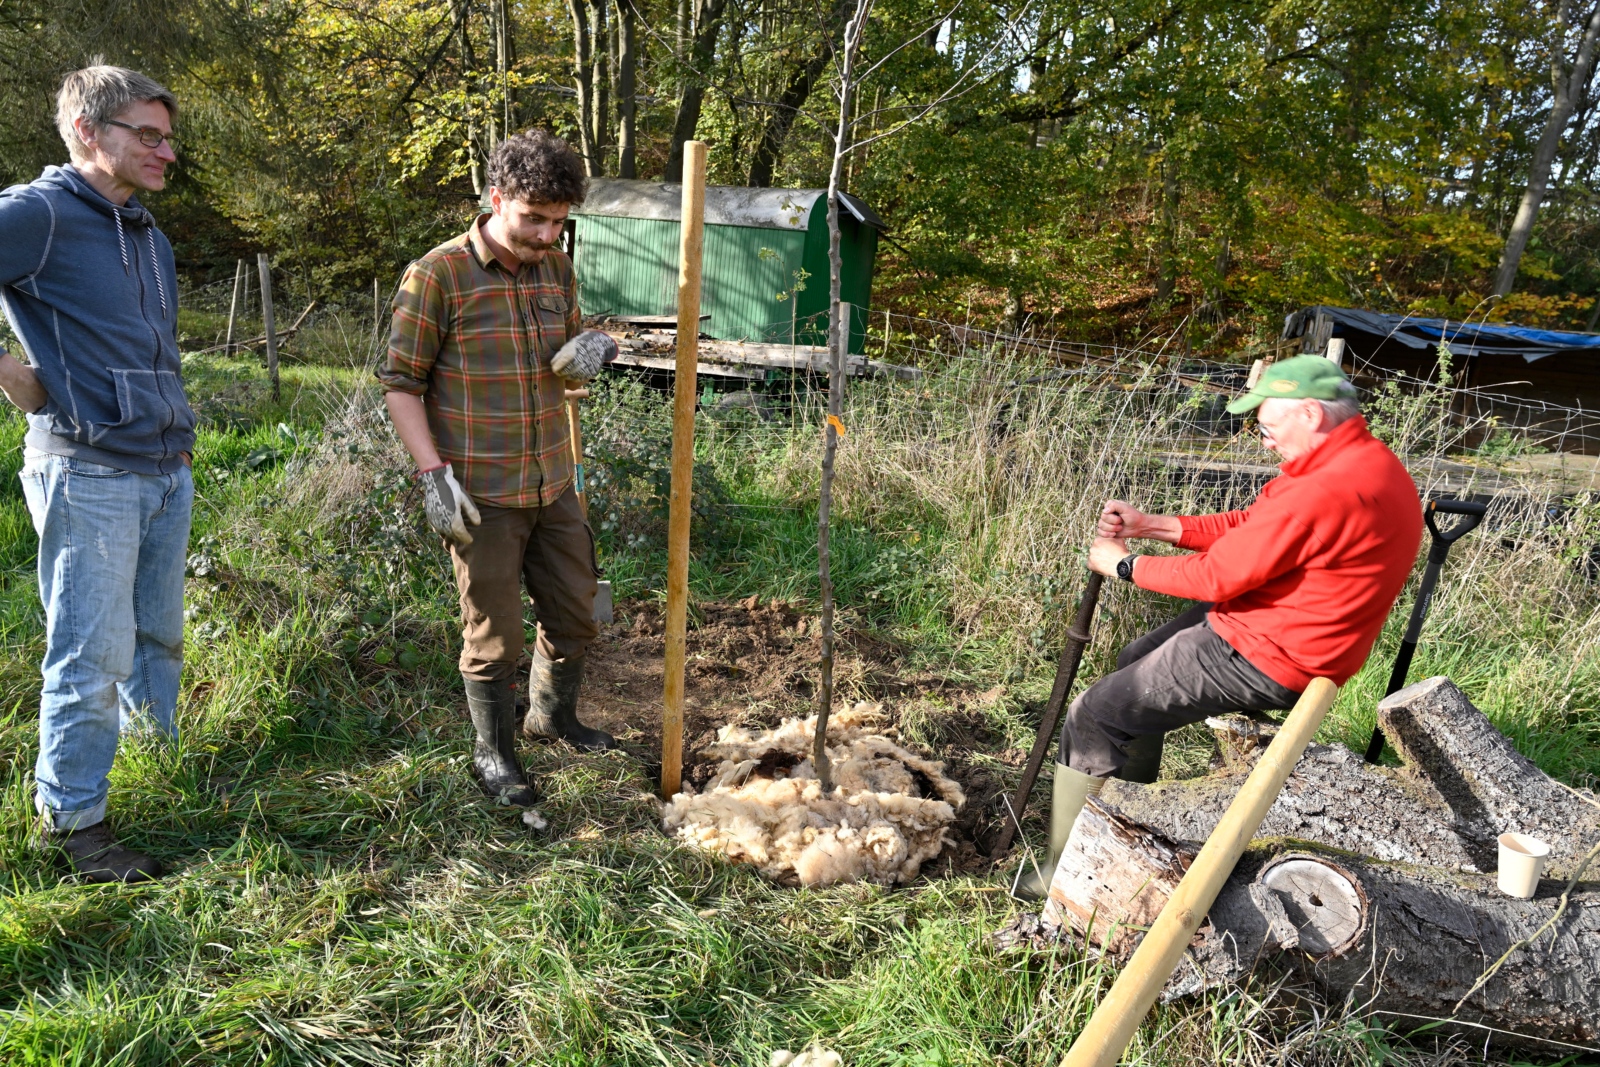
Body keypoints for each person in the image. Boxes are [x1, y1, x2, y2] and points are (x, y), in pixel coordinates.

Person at [1014, 355, 1423, 899]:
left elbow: (1219, 575)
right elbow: (1254, 529)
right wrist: (1152, 526)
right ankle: (1130, 812)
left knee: (1094, 715)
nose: (1263, 438)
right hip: (1278, 622)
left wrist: (1123, 564)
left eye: (1268, 425)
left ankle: (1072, 873)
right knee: (1135, 657)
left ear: (1309, 412)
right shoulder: (1356, 462)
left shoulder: (1328, 487)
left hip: (1273, 652)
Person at [379, 129, 619, 810]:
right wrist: (434, 476)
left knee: (576, 612)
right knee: (495, 634)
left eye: (559, 222)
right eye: (534, 219)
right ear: (496, 199)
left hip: (553, 479)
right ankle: (495, 751)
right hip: (479, 492)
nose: (547, 235)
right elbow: (400, 384)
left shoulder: (556, 271)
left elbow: (570, 356)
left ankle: (553, 715)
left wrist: (596, 347)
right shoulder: (439, 275)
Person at [0, 65, 196, 883]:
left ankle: (155, 763)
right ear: (88, 131)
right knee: (90, 653)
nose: (166, 151)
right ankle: (74, 822)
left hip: (163, 466)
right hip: (87, 470)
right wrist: (14, 373)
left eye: (168, 136)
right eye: (147, 135)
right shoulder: (40, 212)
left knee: (158, 636)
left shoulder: (147, 233)